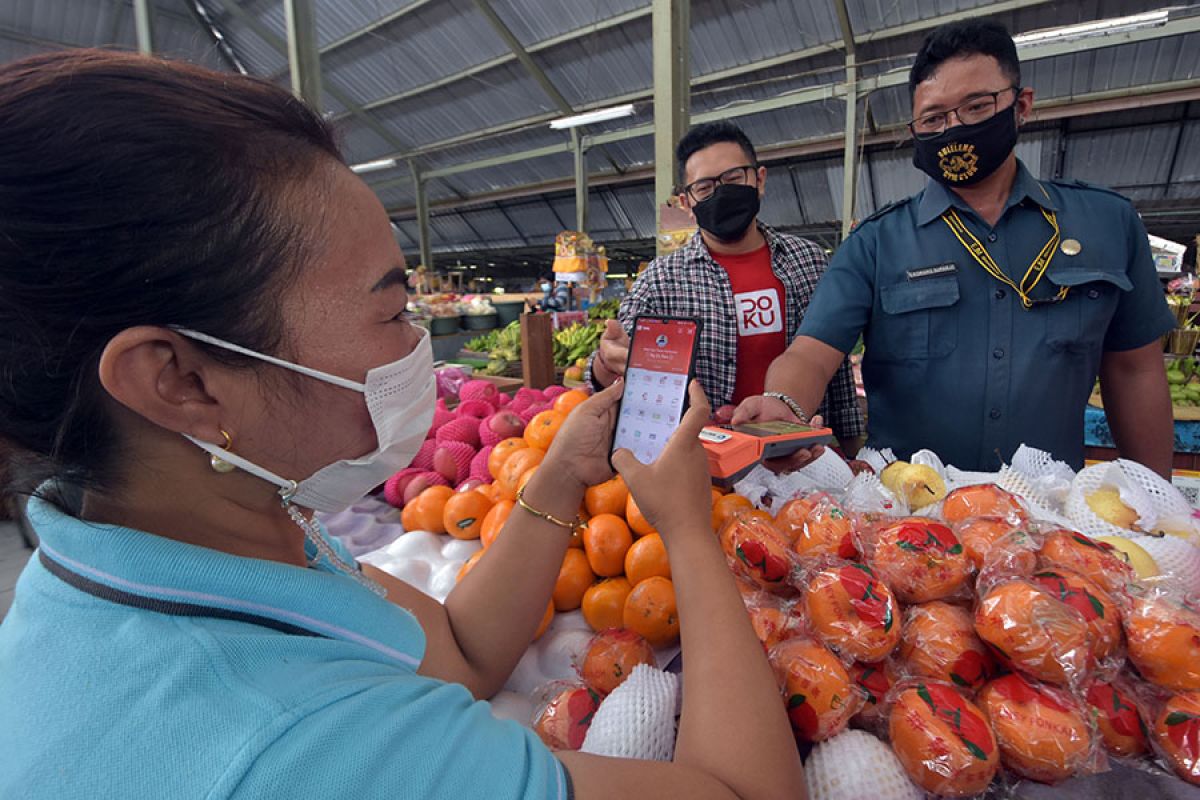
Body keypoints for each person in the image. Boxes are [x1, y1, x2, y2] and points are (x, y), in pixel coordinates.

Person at [0, 51, 805, 799]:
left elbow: (459, 654)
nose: (418, 344)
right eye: (391, 311)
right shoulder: (313, 748)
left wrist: (560, 473)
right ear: (180, 381)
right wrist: (686, 529)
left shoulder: (200, 540)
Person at [735, 20, 1175, 476]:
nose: (955, 128)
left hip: (1050, 505)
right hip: (905, 507)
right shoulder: (876, 243)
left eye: (976, 106)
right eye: (934, 118)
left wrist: (1155, 495)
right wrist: (784, 405)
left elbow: (1135, 370)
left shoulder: (1106, 222)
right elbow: (810, 353)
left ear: (1021, 105)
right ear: (916, 131)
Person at [587, 121, 865, 450]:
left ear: (759, 180)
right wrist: (606, 361)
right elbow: (609, 375)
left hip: (802, 455)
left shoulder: (810, 263)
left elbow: (836, 369)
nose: (721, 193)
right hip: (705, 464)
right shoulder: (660, 282)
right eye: (704, 187)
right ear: (686, 203)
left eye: (733, 178)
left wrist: (850, 449)